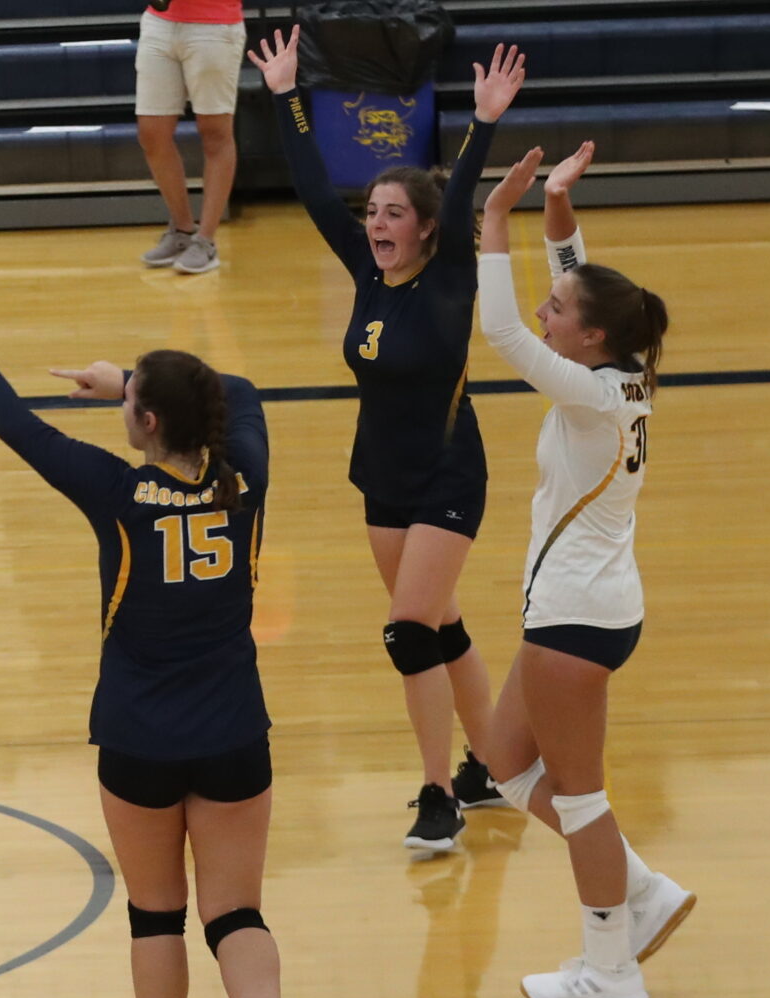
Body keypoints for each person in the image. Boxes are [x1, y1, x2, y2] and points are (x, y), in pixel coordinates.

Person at [0, 259, 296, 998]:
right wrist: (134, 377)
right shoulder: (244, 475)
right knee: (236, 910)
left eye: (131, 402)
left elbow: (5, 416)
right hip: (234, 731)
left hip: (137, 737)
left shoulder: (115, 491)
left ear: (147, 422)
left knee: (156, 915)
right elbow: (241, 391)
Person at [250, 30, 526, 852]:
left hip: (448, 472)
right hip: (380, 476)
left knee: (407, 630)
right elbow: (310, 188)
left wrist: (483, 121)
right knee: (438, 627)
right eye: (372, 211)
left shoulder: (450, 276)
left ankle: (439, 795)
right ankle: (489, 765)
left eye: (393, 213)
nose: (375, 222)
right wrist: (286, 96)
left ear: (429, 229)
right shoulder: (368, 272)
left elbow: (465, 186)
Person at [477, 142, 694, 998]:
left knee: (579, 799)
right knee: (504, 762)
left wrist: (496, 216)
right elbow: (577, 278)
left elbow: (501, 332)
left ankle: (610, 967)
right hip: (590, 607)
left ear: (590, 335)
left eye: (558, 310)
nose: (546, 308)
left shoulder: (592, 393)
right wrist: (558, 204)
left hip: (575, 619)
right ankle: (641, 889)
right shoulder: (624, 370)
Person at [135, 0, 247, 274]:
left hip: (214, 25)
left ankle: (206, 240)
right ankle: (183, 230)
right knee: (151, 133)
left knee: (215, 133)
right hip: (159, 20)